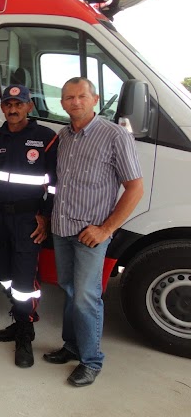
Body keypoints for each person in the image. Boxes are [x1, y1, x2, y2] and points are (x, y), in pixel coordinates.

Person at [43, 77, 143, 386]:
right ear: (62, 104)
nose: (75, 102)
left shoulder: (114, 136)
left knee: (86, 297)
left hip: (91, 234)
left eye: (81, 96)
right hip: (62, 229)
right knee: (70, 291)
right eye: (69, 97)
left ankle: (91, 360)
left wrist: (105, 229)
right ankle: (72, 346)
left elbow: (135, 188)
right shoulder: (63, 137)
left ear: (95, 99)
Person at [0, 84, 58, 368]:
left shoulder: (46, 138)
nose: (13, 109)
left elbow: (54, 185)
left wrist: (46, 215)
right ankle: (19, 317)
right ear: (2, 107)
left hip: (28, 219)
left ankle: (25, 333)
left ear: (29, 107)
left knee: (25, 281)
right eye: (8, 104)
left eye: (19, 104)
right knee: (5, 276)